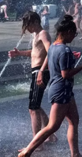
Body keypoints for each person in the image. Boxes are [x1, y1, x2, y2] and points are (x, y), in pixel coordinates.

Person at [17, 15, 82, 157]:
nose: (74, 37)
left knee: (74, 120)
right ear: (66, 32)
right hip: (62, 89)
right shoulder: (64, 50)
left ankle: (75, 154)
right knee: (52, 126)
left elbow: (53, 60)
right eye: (74, 33)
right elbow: (66, 74)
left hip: (61, 89)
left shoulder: (54, 47)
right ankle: (28, 151)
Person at [8, 12, 57, 147]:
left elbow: (51, 51)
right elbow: (35, 52)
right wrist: (19, 54)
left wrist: (41, 71)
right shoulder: (37, 35)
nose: (27, 29)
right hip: (37, 71)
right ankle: (50, 135)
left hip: (40, 71)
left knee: (33, 108)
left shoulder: (43, 34)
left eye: (28, 25)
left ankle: (36, 143)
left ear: (36, 22)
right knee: (36, 106)